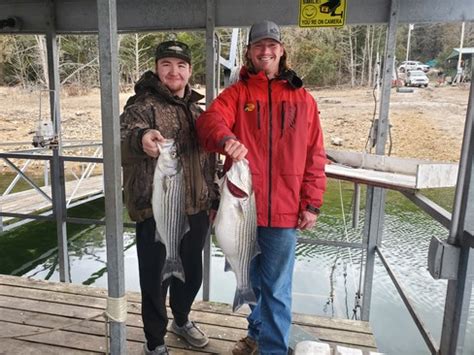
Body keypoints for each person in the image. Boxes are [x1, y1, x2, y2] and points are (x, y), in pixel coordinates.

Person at [196, 20, 327, 355]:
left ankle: (272, 350)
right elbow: (209, 122)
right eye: (259, 46)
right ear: (250, 52)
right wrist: (226, 139)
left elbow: (315, 154)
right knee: (252, 282)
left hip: (284, 213)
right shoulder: (237, 94)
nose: (265, 51)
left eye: (272, 45)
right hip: (243, 212)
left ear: (281, 50)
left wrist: (311, 203)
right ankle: (256, 334)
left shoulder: (304, 99)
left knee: (277, 289)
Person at [120, 40, 218, 355]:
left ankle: (182, 319)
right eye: (166, 64)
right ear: (157, 68)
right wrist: (140, 139)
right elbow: (122, 138)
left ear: (189, 71)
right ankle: (155, 342)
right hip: (156, 210)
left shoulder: (196, 110)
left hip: (196, 211)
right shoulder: (141, 105)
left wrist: (212, 199)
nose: (173, 71)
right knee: (154, 282)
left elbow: (207, 162)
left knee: (192, 276)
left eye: (180, 65)